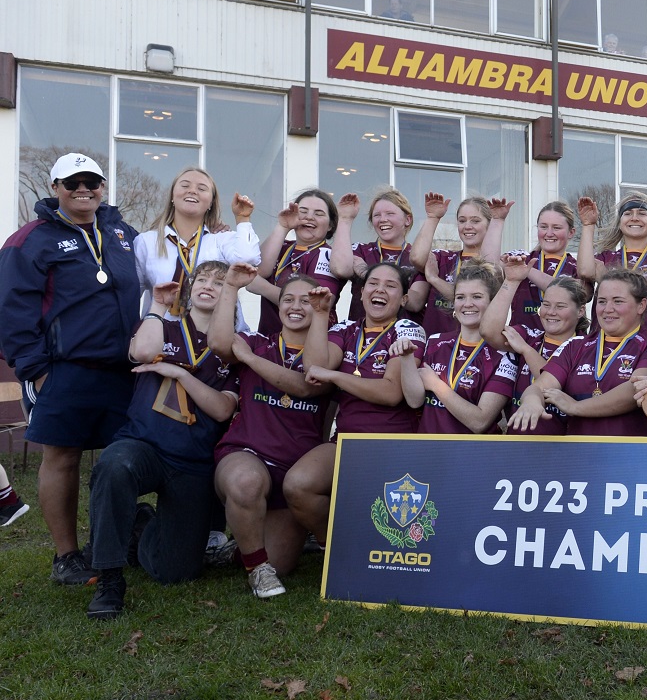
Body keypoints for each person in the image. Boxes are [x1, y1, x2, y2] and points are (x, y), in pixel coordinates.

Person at [0, 152, 142, 585]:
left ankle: (119, 540)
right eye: (73, 182)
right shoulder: (31, 239)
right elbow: (12, 309)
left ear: (103, 187)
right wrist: (35, 370)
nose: (84, 189)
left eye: (92, 182)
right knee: (62, 458)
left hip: (124, 369)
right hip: (62, 369)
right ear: (56, 187)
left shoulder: (123, 233)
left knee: (125, 457)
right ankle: (67, 556)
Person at [85, 263, 240, 619]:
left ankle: (140, 524)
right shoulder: (163, 327)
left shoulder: (230, 347)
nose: (208, 286)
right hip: (144, 445)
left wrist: (176, 373)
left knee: (176, 572)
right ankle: (109, 578)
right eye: (202, 279)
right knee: (115, 464)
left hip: (192, 461)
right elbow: (142, 353)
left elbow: (220, 410)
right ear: (190, 288)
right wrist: (156, 304)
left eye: (219, 283)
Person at [208, 264, 339, 598]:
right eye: (288, 300)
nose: (295, 306)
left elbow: (305, 387)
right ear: (277, 307)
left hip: (294, 469)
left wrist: (251, 361)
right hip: (246, 454)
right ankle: (258, 570)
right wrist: (232, 287)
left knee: (281, 561)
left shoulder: (326, 357)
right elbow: (220, 342)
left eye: (305, 301)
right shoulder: (257, 340)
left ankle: (242, 549)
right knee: (246, 483)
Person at [285, 262, 424, 544]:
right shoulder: (347, 328)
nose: (380, 290)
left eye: (390, 285)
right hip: (346, 442)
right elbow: (314, 368)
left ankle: (361, 549)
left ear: (405, 299)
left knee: (387, 520)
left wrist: (334, 376)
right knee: (298, 485)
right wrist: (321, 313)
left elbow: (390, 393)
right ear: (360, 293)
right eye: (373, 283)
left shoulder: (408, 329)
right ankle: (339, 548)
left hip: (393, 445)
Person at [508, 268, 647, 437]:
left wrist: (575, 407)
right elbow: (539, 387)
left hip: (635, 453)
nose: (608, 309)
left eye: (618, 301)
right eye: (602, 301)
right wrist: (531, 402)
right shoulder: (576, 345)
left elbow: (634, 390)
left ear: (641, 305)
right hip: (581, 455)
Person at [133, 166, 259, 330]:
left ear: (211, 202)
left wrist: (242, 219)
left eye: (202, 188)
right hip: (162, 341)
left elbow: (248, 259)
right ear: (172, 195)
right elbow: (132, 295)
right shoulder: (146, 242)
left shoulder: (220, 240)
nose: (192, 191)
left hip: (215, 341)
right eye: (185, 186)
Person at [396, 260, 507, 434]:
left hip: (474, 454)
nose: (467, 304)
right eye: (460, 297)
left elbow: (479, 422)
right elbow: (414, 401)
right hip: (430, 451)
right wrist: (406, 358)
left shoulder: (503, 354)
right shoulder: (435, 342)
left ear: (492, 302)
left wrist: (436, 385)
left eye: (477, 297)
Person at [484, 257, 591, 436]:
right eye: (546, 305)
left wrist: (526, 350)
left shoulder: (587, 347)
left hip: (564, 449)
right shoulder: (529, 335)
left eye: (560, 306)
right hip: (518, 443)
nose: (551, 312)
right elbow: (488, 331)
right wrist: (511, 282)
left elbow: (555, 386)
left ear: (580, 311)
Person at [330, 189, 434, 325]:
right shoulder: (361, 250)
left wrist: (366, 272)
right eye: (377, 215)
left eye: (390, 214)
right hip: (361, 338)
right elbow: (341, 269)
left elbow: (415, 303)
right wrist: (345, 219)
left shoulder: (417, 256)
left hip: (403, 339)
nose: (383, 219)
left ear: (407, 220)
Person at [255, 189, 340, 337]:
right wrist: (283, 226)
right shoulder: (280, 246)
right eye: (303, 211)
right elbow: (259, 271)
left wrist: (261, 286)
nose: (309, 217)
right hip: (269, 340)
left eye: (318, 214)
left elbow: (317, 303)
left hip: (308, 345)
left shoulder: (328, 254)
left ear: (331, 225)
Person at [425, 196, 508, 339]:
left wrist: (434, 279)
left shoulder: (500, 264)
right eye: (462, 221)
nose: (467, 226)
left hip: (477, 348)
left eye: (475, 221)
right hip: (437, 346)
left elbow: (470, 293)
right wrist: (432, 218)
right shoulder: (442, 257)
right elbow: (415, 257)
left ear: (489, 224)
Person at [489, 200, 577, 335]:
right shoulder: (521, 258)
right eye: (543, 227)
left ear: (571, 232)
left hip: (564, 346)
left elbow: (569, 292)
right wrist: (497, 221)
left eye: (556, 228)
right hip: (522, 342)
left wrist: (527, 270)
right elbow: (490, 265)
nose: (549, 233)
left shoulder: (577, 267)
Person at [577, 192, 647, 327]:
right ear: (620, 223)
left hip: (642, 341)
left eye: (642, 213)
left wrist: (605, 278)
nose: (634, 218)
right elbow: (584, 271)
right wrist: (588, 225)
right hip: (602, 341)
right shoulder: (606, 257)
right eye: (628, 213)